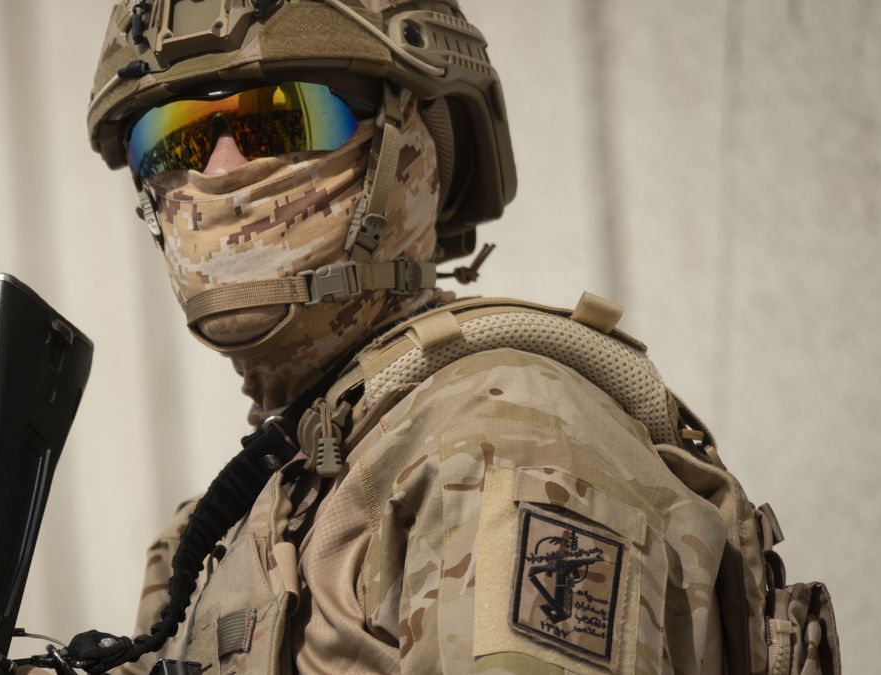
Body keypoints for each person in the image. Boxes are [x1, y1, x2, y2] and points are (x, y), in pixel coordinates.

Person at [41, 1, 839, 674]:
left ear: (413, 149)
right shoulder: (240, 515)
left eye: (278, 121)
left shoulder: (503, 436)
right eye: (173, 142)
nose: (216, 173)